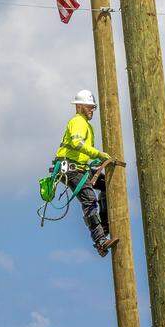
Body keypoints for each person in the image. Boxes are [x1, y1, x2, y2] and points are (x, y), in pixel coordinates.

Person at [55, 89, 120, 257]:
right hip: (70, 168)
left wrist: (95, 161)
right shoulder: (78, 121)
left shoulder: (88, 126)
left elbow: (82, 153)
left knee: (106, 186)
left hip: (80, 167)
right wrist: (98, 154)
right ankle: (100, 241)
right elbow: (77, 143)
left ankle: (103, 227)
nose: (92, 110)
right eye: (89, 106)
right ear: (79, 106)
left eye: (93, 107)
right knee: (89, 200)